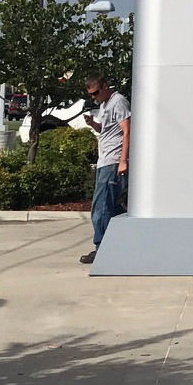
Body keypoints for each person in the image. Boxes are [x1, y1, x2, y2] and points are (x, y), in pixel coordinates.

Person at [78, 72, 129, 267]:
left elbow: (127, 131)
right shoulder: (104, 104)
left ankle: (102, 248)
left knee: (100, 207)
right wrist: (93, 124)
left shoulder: (118, 101)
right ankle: (121, 240)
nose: (94, 96)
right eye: (91, 94)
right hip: (104, 160)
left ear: (106, 86)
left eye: (96, 92)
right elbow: (107, 130)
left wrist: (123, 160)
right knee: (112, 207)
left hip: (113, 161)